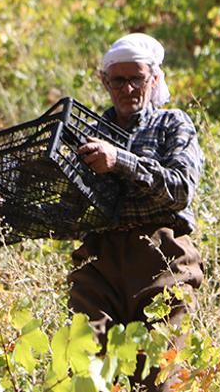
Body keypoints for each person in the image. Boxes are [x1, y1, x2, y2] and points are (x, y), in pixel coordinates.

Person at [71, 33, 205, 391]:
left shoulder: (172, 125)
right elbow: (73, 208)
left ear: (154, 80)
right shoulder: (88, 135)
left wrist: (121, 161)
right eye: (119, 79)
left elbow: (179, 189)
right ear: (105, 82)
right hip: (98, 265)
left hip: (162, 261)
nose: (128, 88)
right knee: (87, 372)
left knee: (158, 378)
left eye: (137, 79)